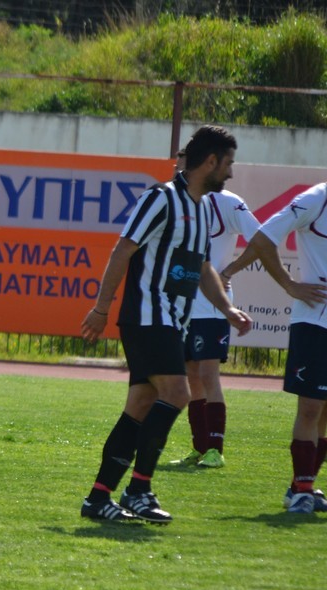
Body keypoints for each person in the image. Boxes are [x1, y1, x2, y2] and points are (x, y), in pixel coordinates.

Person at [80, 125, 252, 524]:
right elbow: (123, 250)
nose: (230, 172)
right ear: (210, 161)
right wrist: (102, 308)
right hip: (147, 316)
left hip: (171, 321)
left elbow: (203, 267)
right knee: (178, 393)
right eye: (227, 163)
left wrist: (227, 309)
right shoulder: (160, 198)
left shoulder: (204, 208)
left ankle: (99, 497)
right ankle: (139, 489)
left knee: (140, 406)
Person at [223, 133, 327, 514]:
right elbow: (263, 239)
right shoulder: (314, 199)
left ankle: (302, 487)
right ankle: (303, 489)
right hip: (315, 326)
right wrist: (290, 285)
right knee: (309, 409)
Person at [169, 151, 261, 469]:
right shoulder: (175, 201)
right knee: (191, 377)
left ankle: (216, 450)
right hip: (182, 306)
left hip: (212, 305)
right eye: (177, 165)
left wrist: (230, 270)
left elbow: (262, 239)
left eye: (183, 164)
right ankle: (199, 447)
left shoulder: (229, 203)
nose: (178, 170)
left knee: (208, 375)